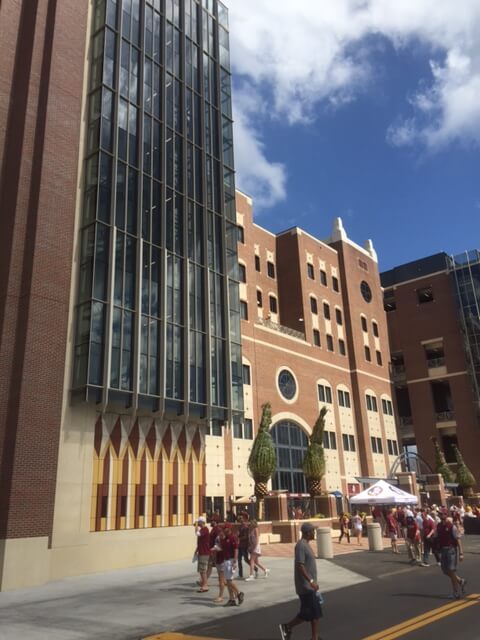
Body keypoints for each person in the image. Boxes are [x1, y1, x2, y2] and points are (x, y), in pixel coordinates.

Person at [279, 522, 323, 640]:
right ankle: (287, 627)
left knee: (315, 613)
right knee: (308, 613)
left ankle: (315, 637)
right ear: (307, 533)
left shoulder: (306, 545)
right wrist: (311, 581)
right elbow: (300, 566)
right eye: (312, 531)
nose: (314, 533)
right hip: (305, 586)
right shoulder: (301, 546)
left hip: (311, 586)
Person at [435, 509, 466, 599]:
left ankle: (455, 593)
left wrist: (461, 553)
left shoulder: (452, 526)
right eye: (440, 514)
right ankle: (460, 581)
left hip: (451, 550)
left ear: (446, 515)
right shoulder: (439, 526)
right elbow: (437, 536)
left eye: (442, 514)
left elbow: (458, 539)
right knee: (445, 570)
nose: (441, 515)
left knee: (451, 570)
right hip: (443, 550)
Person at [221, 523, 244, 606]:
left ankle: (239, 593)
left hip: (231, 560)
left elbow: (236, 549)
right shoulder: (224, 538)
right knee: (227, 581)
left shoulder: (232, 537)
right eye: (223, 528)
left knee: (230, 580)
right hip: (226, 560)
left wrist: (235, 560)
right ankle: (231, 599)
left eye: (225, 528)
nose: (224, 530)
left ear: (229, 529)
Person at [194, 517, 211, 592]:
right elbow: (200, 541)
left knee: (203, 570)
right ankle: (204, 583)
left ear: (202, 522)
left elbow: (197, 534)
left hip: (204, 552)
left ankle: (205, 585)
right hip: (201, 551)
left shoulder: (205, 529)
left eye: (199, 522)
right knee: (201, 570)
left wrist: (196, 526)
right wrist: (196, 550)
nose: (198, 524)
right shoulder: (202, 529)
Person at [237, 514, 250, 579]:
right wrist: (237, 535)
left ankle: (255, 568)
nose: (240, 520)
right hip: (240, 545)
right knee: (239, 559)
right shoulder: (240, 527)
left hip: (244, 545)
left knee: (246, 559)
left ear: (244, 519)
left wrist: (239, 538)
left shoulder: (246, 527)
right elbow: (238, 535)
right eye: (239, 520)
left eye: (241, 519)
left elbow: (246, 537)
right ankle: (240, 574)